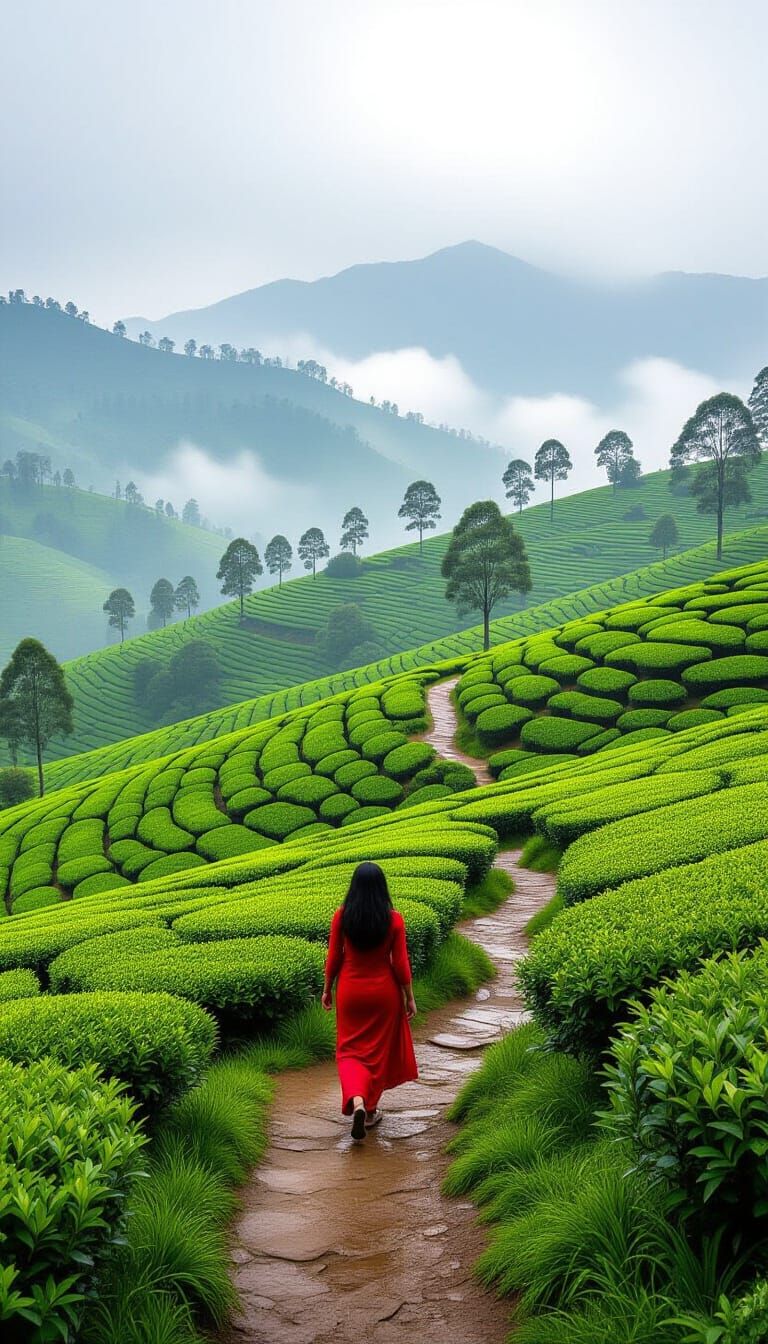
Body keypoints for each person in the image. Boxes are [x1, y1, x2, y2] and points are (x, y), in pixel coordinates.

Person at [322, 861, 418, 1141]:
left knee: (349, 1051)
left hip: (351, 991)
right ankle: (370, 1109)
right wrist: (409, 997)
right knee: (376, 1053)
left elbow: (334, 957)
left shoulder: (342, 916)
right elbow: (400, 964)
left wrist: (327, 989)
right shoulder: (394, 919)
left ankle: (358, 1102)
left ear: (354, 887)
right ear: (382, 888)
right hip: (383, 993)